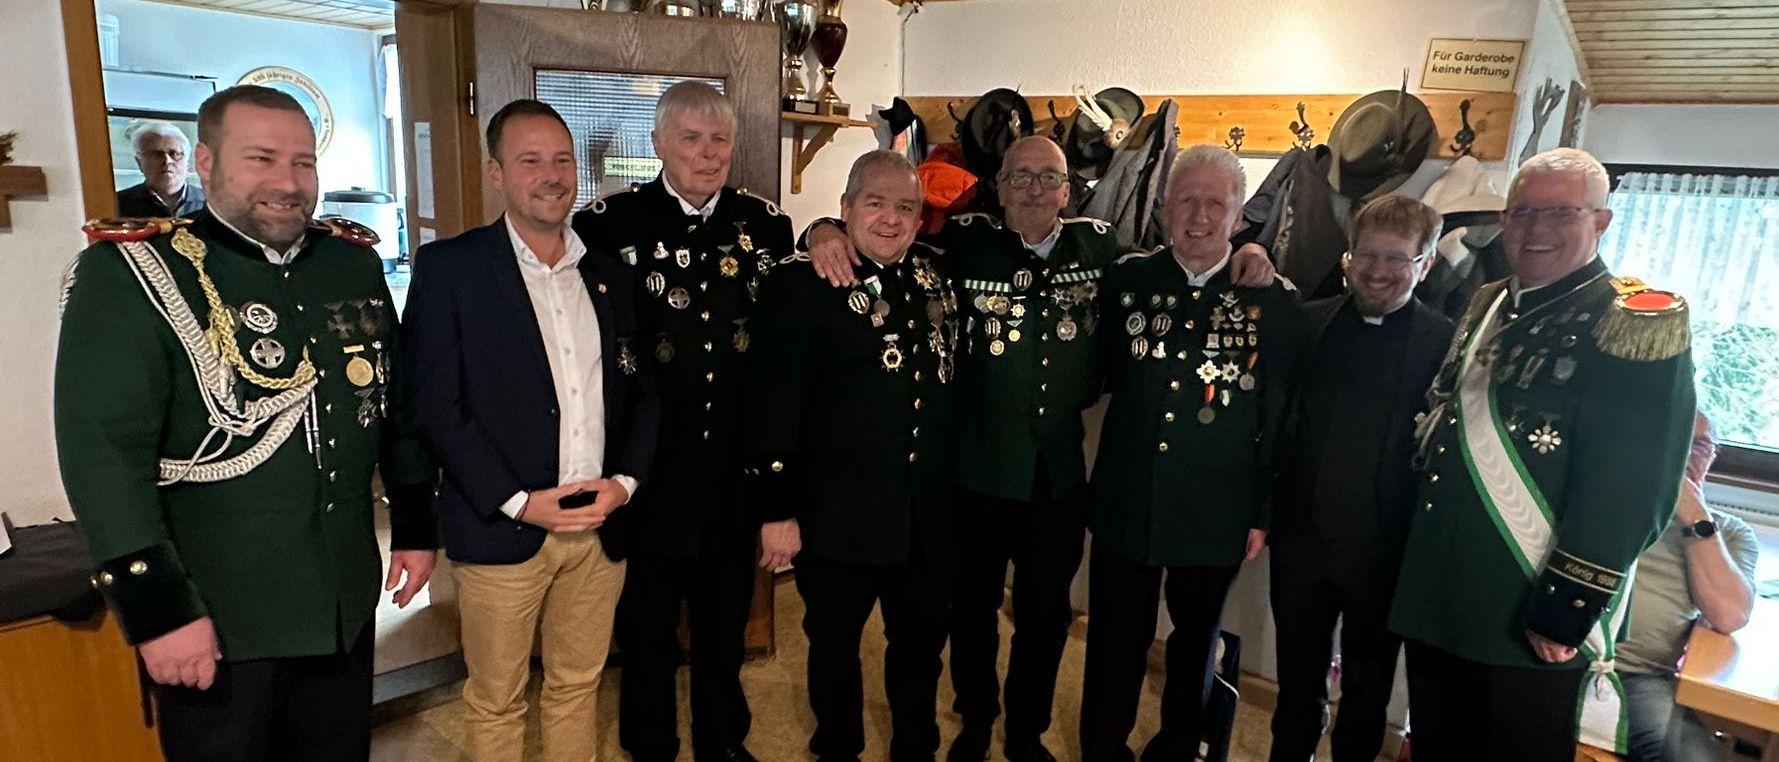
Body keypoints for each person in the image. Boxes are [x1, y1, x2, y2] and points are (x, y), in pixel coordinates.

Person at [802, 136, 1276, 762]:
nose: (1033, 189)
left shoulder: (1100, 249)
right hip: (975, 470)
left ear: (1068, 190)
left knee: (1046, 618)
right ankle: (976, 720)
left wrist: (1250, 247)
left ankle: (1025, 732)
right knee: (972, 611)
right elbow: (887, 236)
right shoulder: (963, 242)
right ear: (998, 187)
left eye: (1048, 178)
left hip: (1056, 477)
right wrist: (821, 229)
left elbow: (1183, 256)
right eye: (1019, 176)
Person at [56, 84, 437, 761]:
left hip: (341, 602)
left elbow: (392, 406)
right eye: (261, 159)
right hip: (219, 614)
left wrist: (413, 524)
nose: (287, 183)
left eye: (302, 163)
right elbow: (102, 456)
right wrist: (159, 612)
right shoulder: (131, 273)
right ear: (205, 163)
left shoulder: (348, 263)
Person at [1390, 147, 1697, 762]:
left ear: (1601, 221)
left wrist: (1565, 607)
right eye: (1523, 213)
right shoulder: (1489, 303)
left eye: (1561, 212)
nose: (1537, 229)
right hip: (1440, 592)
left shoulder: (1636, 321)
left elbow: (1632, 489)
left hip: (1527, 605)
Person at [401, 98, 660, 762]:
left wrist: (625, 484)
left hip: (598, 528)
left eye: (562, 160)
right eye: (530, 161)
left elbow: (642, 393)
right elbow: (435, 405)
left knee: (578, 686)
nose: (551, 176)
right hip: (503, 528)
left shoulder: (609, 274)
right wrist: (517, 500)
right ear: (496, 173)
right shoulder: (451, 269)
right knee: (497, 699)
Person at [569, 81, 792, 762]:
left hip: (729, 469)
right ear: (659, 144)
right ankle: (650, 747)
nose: (707, 153)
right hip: (646, 470)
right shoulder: (608, 224)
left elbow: (777, 355)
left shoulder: (766, 226)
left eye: (719, 139)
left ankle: (723, 743)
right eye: (690, 139)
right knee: (646, 631)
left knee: (725, 628)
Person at [1080, 144, 1307, 762]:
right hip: (1128, 497)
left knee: (1194, 643)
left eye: (1215, 203)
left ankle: (1178, 750)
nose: (1199, 216)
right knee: (1114, 639)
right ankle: (1103, 749)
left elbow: (1278, 418)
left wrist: (1261, 509)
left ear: (1239, 214)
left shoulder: (1272, 302)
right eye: (1186, 200)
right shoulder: (1127, 281)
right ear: (1163, 206)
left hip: (1216, 506)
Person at [744, 150, 960, 762]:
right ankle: (838, 748)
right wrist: (777, 509)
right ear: (845, 208)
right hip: (836, 514)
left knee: (919, 648)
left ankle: (915, 747)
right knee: (834, 647)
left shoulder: (935, 275)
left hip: (922, 515)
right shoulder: (800, 283)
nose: (891, 219)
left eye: (905, 207)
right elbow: (771, 405)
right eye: (875, 203)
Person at [1266, 195, 1455, 762]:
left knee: (1368, 692)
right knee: (1295, 684)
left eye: (1396, 258)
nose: (1376, 271)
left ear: (1425, 263)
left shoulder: (1446, 343)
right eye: (1365, 254)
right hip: (1302, 543)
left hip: (1385, 552)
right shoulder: (1309, 322)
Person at [1618, 411, 1758, 762]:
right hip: (1565, 655)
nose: (1686, 453)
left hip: (1638, 675)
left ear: (1712, 458)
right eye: (1676, 437)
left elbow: (1728, 614)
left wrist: (1693, 515)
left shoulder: (1730, 532)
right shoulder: (1607, 501)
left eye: (1700, 446)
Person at [116, 120, 206, 217]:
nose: (167, 161)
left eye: (174, 154)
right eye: (156, 154)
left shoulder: (211, 203)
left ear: (188, 161)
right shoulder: (117, 204)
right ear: (139, 162)